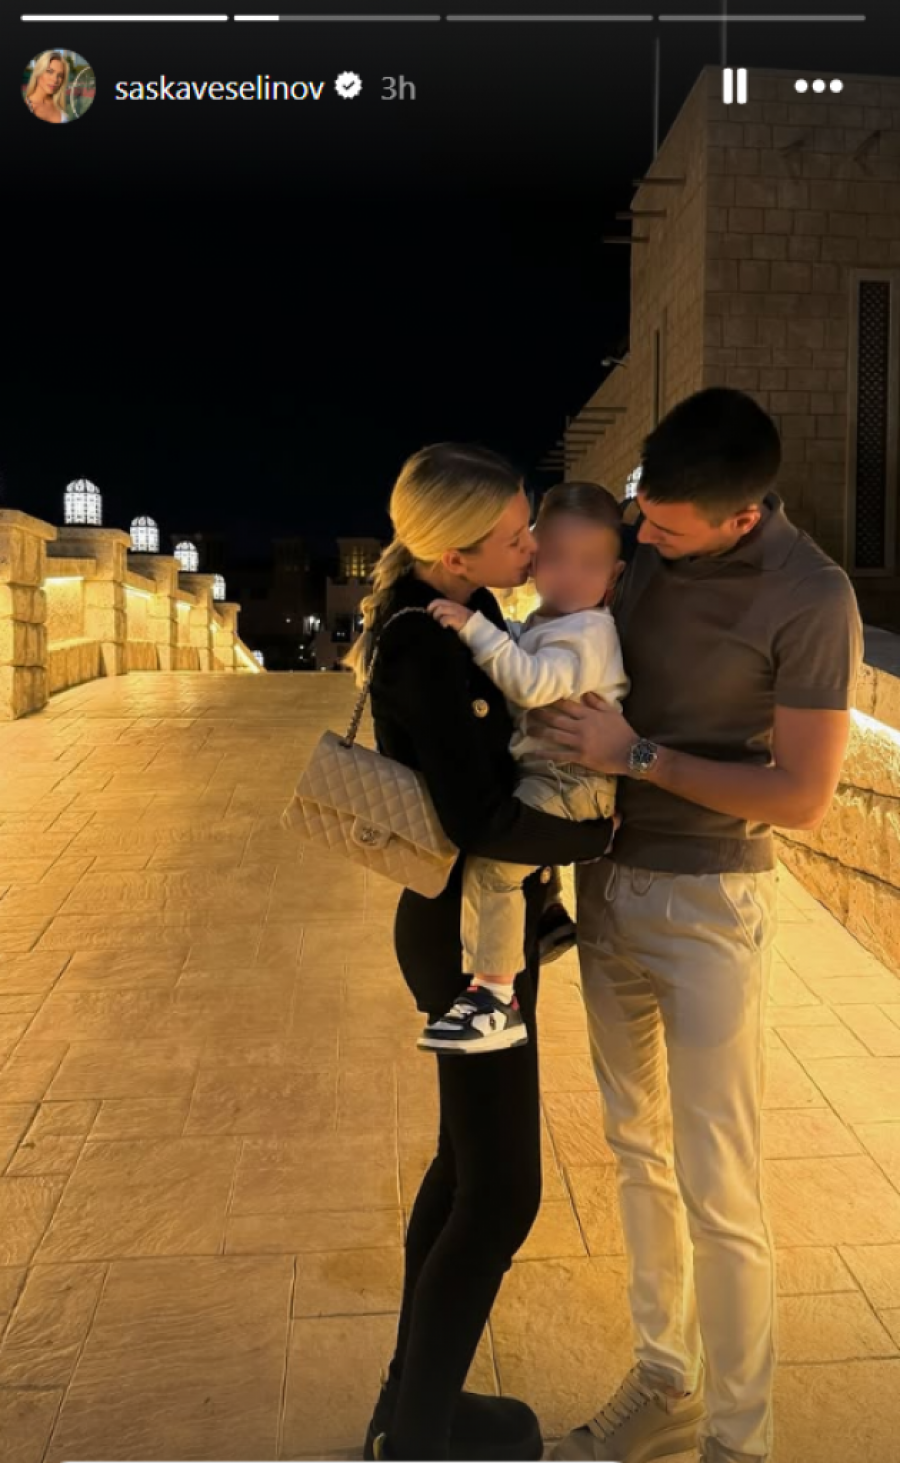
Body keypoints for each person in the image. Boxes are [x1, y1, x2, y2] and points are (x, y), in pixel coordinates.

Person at [530, 388, 863, 1463]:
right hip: (607, 882)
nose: (643, 541)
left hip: (712, 901)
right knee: (635, 1149)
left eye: (667, 531)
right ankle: (665, 1378)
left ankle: (738, 1437)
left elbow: (803, 794)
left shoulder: (811, 595)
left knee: (719, 1180)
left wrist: (636, 756)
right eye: (642, 516)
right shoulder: (645, 544)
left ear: (742, 515)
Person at [343, 442, 619, 1462]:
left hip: (469, 926)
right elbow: (482, 818)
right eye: (514, 534)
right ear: (455, 553)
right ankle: (420, 1436)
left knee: (466, 1166)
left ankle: (408, 1406)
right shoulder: (428, 643)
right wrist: (598, 833)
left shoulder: (471, 610)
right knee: (502, 1192)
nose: (533, 543)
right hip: (464, 940)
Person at [418, 481, 628, 1054]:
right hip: (549, 771)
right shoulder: (551, 620)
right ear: (535, 558)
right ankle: (550, 917)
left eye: (589, 564)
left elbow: (532, 684)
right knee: (516, 844)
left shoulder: (590, 632)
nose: (571, 575)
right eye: (556, 557)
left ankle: (494, 1000)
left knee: (494, 864)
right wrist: (501, 634)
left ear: (613, 575)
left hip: (573, 779)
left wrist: (474, 628)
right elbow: (525, 647)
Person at [24, 51, 71, 123]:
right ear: (38, 73)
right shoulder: (28, 106)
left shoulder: (59, 105)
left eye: (60, 75)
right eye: (50, 71)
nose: (55, 79)